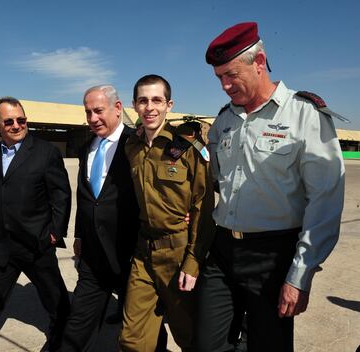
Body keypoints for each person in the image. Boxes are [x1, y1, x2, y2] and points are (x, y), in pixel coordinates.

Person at [195, 22, 345, 351]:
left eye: (231, 74)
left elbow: (324, 201)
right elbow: (217, 178)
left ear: (259, 62)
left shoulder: (305, 115)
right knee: (205, 343)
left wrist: (299, 274)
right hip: (221, 250)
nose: (224, 85)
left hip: (271, 257)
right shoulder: (224, 120)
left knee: (267, 345)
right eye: (219, 77)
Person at [0, 97, 71, 352]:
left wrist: (55, 232)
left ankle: (59, 341)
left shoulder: (45, 151)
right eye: (9, 121)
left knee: (58, 304)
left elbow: (61, 194)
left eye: (22, 119)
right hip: (3, 245)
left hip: (36, 243)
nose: (17, 125)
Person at [59, 85, 167, 351]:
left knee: (144, 326)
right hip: (94, 256)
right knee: (77, 326)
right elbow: (85, 197)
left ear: (117, 108)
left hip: (132, 255)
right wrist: (80, 234)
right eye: (88, 113)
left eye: (98, 111)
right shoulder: (87, 148)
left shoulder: (140, 143)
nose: (93, 118)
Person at [119, 74, 215, 352]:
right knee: (132, 340)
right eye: (143, 101)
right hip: (143, 252)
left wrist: (193, 262)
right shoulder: (132, 147)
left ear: (169, 105)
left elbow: (203, 206)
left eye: (156, 100)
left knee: (189, 336)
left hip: (178, 253)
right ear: (134, 106)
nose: (150, 107)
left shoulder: (187, 148)